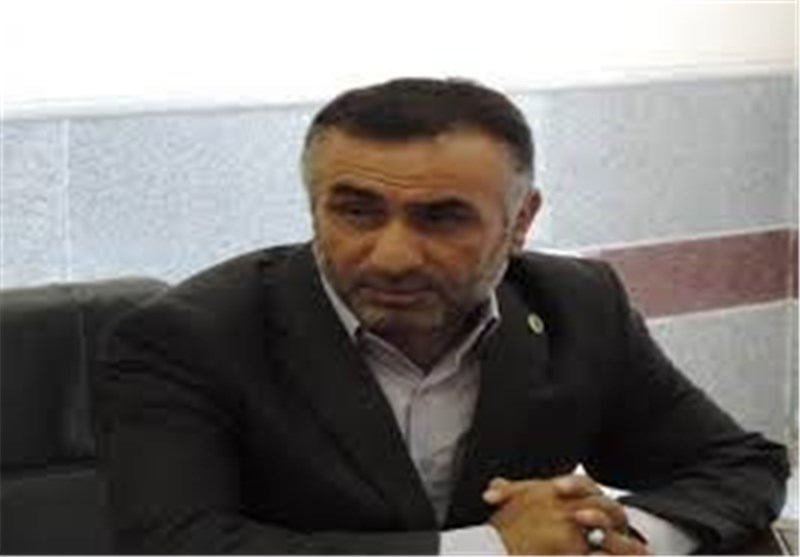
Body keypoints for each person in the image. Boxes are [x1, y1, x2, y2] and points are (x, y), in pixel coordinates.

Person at [94, 78, 789, 555]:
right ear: (314, 208)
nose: (393, 255)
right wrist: (493, 548)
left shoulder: (577, 305)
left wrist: (611, 535)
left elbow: (739, 464)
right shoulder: (188, 338)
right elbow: (178, 546)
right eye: (356, 211)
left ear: (521, 221)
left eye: (443, 217)